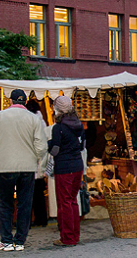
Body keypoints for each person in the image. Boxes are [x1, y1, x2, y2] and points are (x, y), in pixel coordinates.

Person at [0, 89, 47, 251]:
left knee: (5, 203)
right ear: (25, 102)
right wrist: (38, 161)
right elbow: (41, 146)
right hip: (27, 166)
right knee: (24, 203)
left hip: (5, 166)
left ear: (10, 101)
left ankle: (6, 240)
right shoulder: (34, 119)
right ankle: (19, 241)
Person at [48, 95, 86, 246]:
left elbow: (55, 150)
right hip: (77, 166)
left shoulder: (59, 128)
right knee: (73, 202)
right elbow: (82, 146)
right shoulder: (79, 125)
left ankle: (68, 238)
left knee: (64, 203)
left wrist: (49, 144)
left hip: (64, 168)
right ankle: (74, 236)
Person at [25, 99, 49, 227]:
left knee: (28, 195)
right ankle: (42, 219)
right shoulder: (42, 121)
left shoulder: (29, 122)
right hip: (41, 163)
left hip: (30, 162)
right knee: (39, 194)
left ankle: (28, 221)